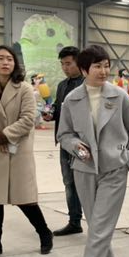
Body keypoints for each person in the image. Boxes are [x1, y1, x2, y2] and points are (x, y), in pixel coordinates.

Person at [58, 45, 129, 257]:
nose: (104, 71)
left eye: (106, 65)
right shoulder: (72, 99)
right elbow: (64, 134)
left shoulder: (120, 96)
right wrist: (75, 146)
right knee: (97, 226)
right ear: (84, 70)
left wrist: (128, 159)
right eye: (97, 66)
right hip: (84, 170)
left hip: (113, 170)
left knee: (99, 227)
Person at [0, 46, 53, 257]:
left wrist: (5, 135)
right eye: (0, 58)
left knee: (24, 198)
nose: (5, 62)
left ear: (15, 64)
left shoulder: (25, 88)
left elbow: (28, 119)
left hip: (18, 148)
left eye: (9, 59)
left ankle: (44, 233)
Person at [46, 46, 85, 236]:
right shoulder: (62, 85)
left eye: (68, 63)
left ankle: (97, 221)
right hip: (64, 142)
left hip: (82, 142)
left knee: (87, 182)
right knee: (69, 182)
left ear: (79, 62)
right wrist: (50, 114)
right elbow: (57, 107)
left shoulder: (87, 84)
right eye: (62, 64)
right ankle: (74, 221)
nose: (65, 68)